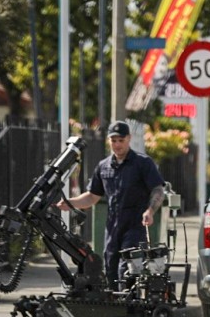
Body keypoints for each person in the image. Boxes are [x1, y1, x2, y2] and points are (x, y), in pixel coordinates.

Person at [58, 121, 166, 285]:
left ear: (128, 139)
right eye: (113, 141)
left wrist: (150, 211)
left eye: (121, 140)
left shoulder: (143, 163)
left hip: (135, 226)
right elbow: (92, 197)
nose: (117, 145)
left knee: (127, 269)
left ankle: (129, 307)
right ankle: (114, 306)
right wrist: (70, 203)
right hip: (113, 227)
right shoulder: (103, 167)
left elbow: (158, 190)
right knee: (110, 269)